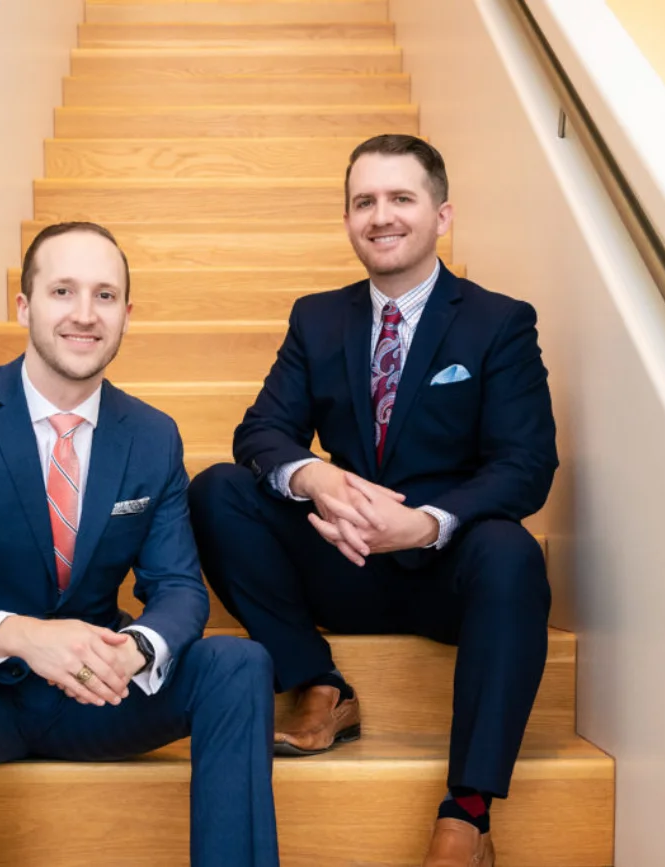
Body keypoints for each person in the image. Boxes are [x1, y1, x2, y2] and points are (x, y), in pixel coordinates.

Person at [0, 222, 279, 867]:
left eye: (105, 296)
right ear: (24, 306)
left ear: (128, 315)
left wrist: (135, 650)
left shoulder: (153, 435)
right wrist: (22, 635)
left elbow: (179, 587)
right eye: (62, 291)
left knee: (240, 666)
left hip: (98, 694)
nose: (84, 314)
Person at [189, 135, 558, 867]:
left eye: (400, 198)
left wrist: (424, 523)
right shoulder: (318, 318)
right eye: (364, 201)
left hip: (450, 574)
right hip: (346, 558)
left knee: (514, 550)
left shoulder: (499, 321)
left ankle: (468, 813)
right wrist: (314, 477)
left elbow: (527, 465)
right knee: (217, 490)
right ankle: (319, 683)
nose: (380, 216)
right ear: (349, 218)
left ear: (441, 215)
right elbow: (260, 430)